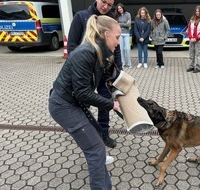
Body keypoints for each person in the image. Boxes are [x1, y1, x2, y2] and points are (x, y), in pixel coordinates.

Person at [49, 15, 121, 190]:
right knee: (96, 150)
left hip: (74, 103)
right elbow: (83, 93)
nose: (119, 42)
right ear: (105, 34)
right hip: (63, 106)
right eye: (117, 37)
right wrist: (111, 105)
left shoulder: (99, 52)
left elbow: (109, 78)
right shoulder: (85, 53)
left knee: (97, 137)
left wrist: (122, 91)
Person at [67, 0, 121, 148]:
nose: (106, 7)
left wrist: (119, 71)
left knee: (105, 102)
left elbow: (116, 49)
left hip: (104, 72)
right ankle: (84, 133)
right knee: (84, 102)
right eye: (104, 2)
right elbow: (72, 44)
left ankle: (103, 134)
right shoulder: (81, 17)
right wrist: (75, 69)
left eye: (110, 5)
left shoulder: (111, 21)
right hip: (86, 72)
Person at [186, 5, 200, 73]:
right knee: (191, 54)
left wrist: (196, 38)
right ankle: (191, 66)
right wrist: (190, 37)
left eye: (198, 11)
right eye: (196, 11)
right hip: (192, 39)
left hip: (199, 40)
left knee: (198, 54)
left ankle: (198, 68)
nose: (197, 12)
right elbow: (188, 29)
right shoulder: (192, 19)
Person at [115, 3, 132, 68]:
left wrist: (120, 24)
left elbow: (129, 25)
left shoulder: (128, 14)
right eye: (118, 9)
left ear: (123, 8)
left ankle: (129, 63)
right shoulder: (117, 15)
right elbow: (116, 24)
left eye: (120, 8)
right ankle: (123, 63)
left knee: (127, 49)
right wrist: (124, 23)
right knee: (121, 49)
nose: (119, 10)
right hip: (120, 34)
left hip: (126, 34)